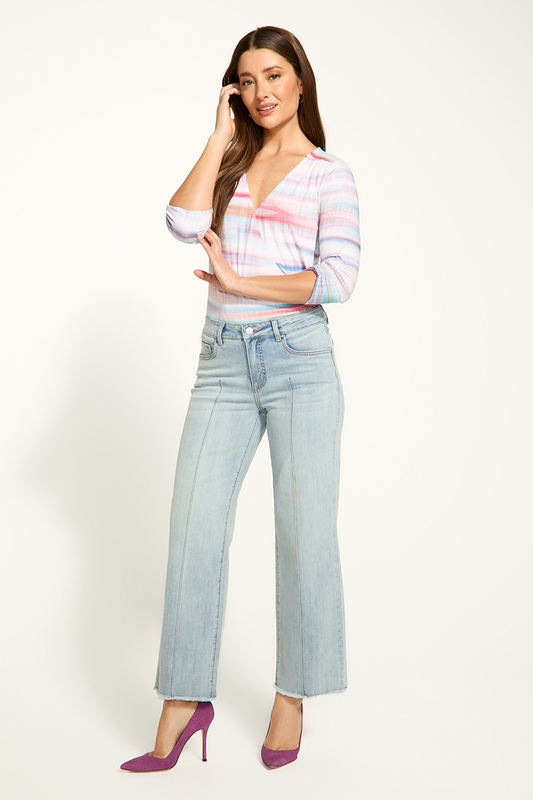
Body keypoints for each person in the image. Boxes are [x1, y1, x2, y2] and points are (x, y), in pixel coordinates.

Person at [120, 25, 360, 772]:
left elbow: (337, 280)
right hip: (222, 365)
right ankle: (185, 698)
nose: (261, 92)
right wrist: (217, 134)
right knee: (193, 531)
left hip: (299, 363)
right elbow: (181, 222)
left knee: (302, 537)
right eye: (246, 80)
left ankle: (292, 694)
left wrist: (240, 284)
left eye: (273, 76)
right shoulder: (228, 165)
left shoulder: (328, 174)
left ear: (300, 83)